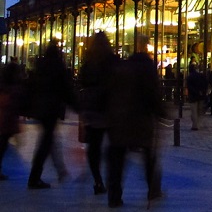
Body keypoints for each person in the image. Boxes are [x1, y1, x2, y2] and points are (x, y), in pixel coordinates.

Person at [106, 35, 164, 207]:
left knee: (119, 157)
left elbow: (111, 92)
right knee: (148, 155)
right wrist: (160, 112)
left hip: (121, 118)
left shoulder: (123, 68)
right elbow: (153, 94)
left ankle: (114, 195)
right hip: (142, 118)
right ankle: (153, 189)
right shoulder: (147, 69)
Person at [27, 40, 76, 189]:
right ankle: (35, 177)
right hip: (51, 108)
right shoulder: (57, 66)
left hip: (40, 108)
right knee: (46, 142)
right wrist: (75, 105)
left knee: (48, 139)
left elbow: (32, 85)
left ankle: (59, 170)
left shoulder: (40, 65)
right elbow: (65, 88)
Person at [77, 32, 118, 195]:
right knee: (114, 147)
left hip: (93, 110)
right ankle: (113, 182)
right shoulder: (113, 61)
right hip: (110, 109)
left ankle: (98, 180)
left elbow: (82, 82)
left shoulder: (88, 62)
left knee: (94, 147)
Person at [0, 57, 24, 181]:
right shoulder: (13, 90)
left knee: (3, 144)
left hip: (4, 121)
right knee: (2, 144)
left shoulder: (5, 88)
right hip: (5, 122)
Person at [186, 63, 207, 130]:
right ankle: (198, 123)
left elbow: (189, 86)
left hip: (193, 96)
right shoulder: (200, 76)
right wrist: (202, 92)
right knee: (199, 111)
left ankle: (195, 125)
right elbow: (205, 84)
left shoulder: (190, 77)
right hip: (200, 95)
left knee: (194, 111)